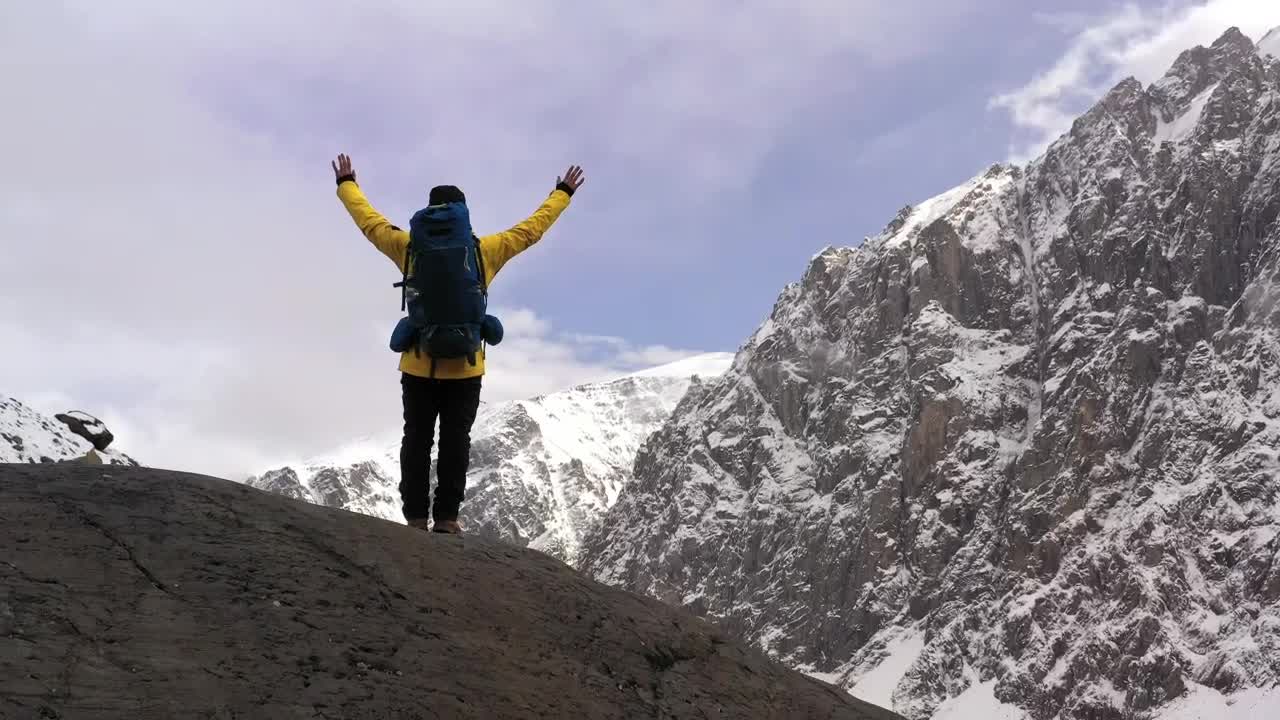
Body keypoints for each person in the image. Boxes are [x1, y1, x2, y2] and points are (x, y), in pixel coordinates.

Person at [331, 153, 586, 534]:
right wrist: (562, 193)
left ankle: (415, 516)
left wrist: (346, 184)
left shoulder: (408, 248)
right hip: (466, 365)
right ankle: (447, 518)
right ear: (464, 215)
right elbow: (531, 230)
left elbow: (370, 224)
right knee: (455, 441)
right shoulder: (484, 251)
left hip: (418, 363)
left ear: (428, 213)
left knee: (416, 438)